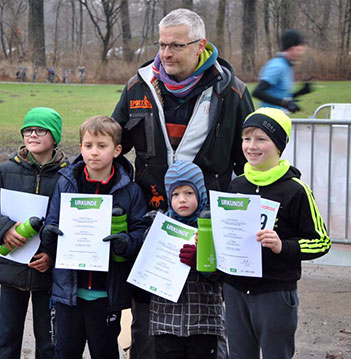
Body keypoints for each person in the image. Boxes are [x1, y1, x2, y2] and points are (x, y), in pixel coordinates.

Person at [111, 8, 253, 358]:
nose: (166, 54)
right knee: (147, 316)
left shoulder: (231, 92)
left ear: (200, 45)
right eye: (161, 45)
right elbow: (112, 145)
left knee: (207, 315)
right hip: (151, 220)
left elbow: (247, 160)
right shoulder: (138, 86)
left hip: (206, 224)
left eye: (175, 45)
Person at [224, 107, 331, 359]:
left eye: (262, 139)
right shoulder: (236, 184)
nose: (252, 146)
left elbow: (321, 242)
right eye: (246, 138)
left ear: (279, 145)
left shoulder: (296, 190)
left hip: (274, 292)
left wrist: (282, 246)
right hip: (235, 290)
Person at [40, 115, 148, 359]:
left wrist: (126, 243)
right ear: (80, 148)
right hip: (69, 292)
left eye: (102, 146)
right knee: (65, 353)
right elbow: (52, 221)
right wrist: (48, 234)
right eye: (88, 146)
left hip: (106, 294)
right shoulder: (66, 183)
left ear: (117, 150)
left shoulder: (129, 190)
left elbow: (141, 230)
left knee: (104, 352)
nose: (94, 152)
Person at [0, 107, 68, 359]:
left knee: (48, 344)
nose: (32, 134)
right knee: (7, 339)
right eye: (27, 130)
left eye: (40, 130)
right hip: (11, 269)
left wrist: (51, 254)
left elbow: (72, 224)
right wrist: (4, 230)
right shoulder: (5, 171)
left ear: (55, 136)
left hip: (47, 275)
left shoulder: (68, 176)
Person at [149, 161, 225, 359]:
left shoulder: (212, 228)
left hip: (204, 323)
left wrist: (201, 262)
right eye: (175, 194)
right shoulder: (157, 228)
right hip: (165, 322)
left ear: (200, 193)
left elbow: (222, 277)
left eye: (189, 193)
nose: (182, 200)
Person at [252, 29, 313, 113]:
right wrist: (285, 104)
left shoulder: (287, 66)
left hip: (278, 118)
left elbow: (281, 96)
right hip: (268, 119)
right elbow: (257, 92)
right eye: (300, 47)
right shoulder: (278, 66)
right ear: (292, 47)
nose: (302, 51)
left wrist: (301, 92)